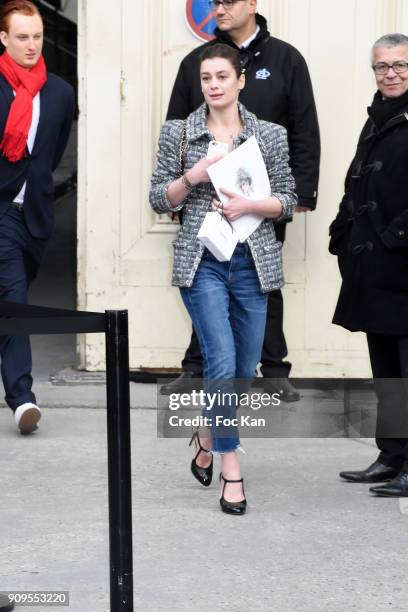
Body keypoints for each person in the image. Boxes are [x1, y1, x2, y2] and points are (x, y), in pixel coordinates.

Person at [150, 44, 296, 514]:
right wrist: (193, 176)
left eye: (221, 76)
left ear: (240, 81)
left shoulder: (268, 134)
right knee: (221, 359)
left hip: (253, 261)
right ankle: (231, 468)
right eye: (206, 77)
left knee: (245, 366)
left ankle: (208, 432)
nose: (212, 85)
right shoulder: (179, 133)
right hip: (203, 261)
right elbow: (159, 198)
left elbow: (289, 199)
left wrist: (248, 205)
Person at [161, 0, 320, 402]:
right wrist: (181, 188)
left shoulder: (286, 58)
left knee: (263, 280)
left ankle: (274, 368)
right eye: (214, 2)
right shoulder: (196, 61)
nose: (219, 9)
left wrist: (302, 191)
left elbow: (303, 124)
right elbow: (176, 122)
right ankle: (196, 366)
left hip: (261, 202)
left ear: (252, 4)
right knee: (206, 278)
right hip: (202, 204)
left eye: (228, 1)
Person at [329, 33, 408, 497]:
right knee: (387, 370)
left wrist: (395, 237)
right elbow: (358, 179)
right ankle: (392, 454)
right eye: (382, 66)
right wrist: (343, 231)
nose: (391, 73)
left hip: (402, 263)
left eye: (400, 65)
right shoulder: (377, 116)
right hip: (374, 268)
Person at [0, 0, 74, 434]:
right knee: (14, 299)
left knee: (10, 297)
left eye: (38, 37)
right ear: (4, 38)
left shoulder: (60, 92)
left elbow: (53, 150)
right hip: (1, 212)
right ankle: (23, 398)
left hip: (37, 215)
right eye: (22, 37)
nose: (32, 45)